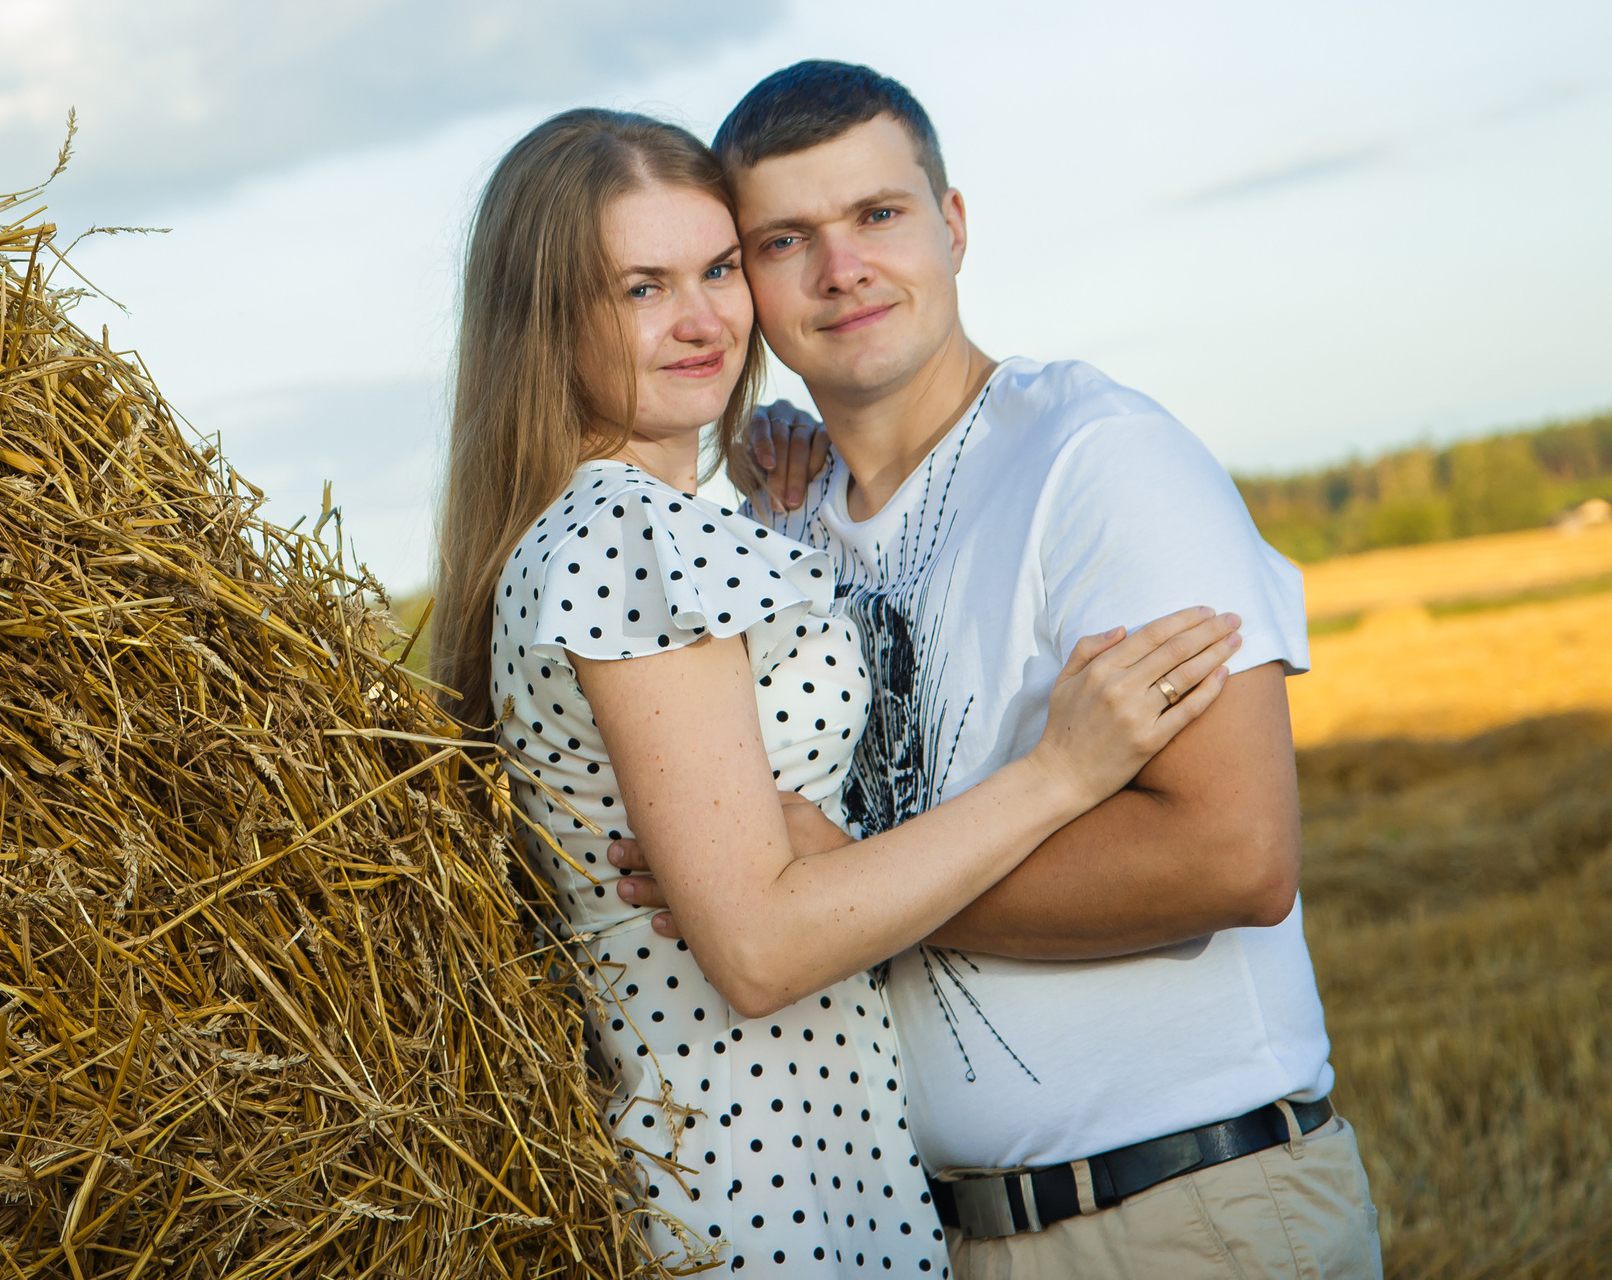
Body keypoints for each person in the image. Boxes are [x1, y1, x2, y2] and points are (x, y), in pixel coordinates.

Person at [430, 107, 1241, 1275]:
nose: (704, 320)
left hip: (769, 1154)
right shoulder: (631, 536)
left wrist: (776, 526)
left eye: (715, 269)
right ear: (545, 316)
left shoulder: (619, 533)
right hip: (767, 1178)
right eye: (641, 288)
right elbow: (756, 947)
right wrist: (1056, 778)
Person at [608, 62, 1382, 1278]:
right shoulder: (788, 526)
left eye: (877, 215)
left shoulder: (1097, 460)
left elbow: (1235, 858)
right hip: (934, 1237)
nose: (841, 268)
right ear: (746, 283)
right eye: (784, 240)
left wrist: (835, 893)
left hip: (1180, 1216)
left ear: (952, 225)